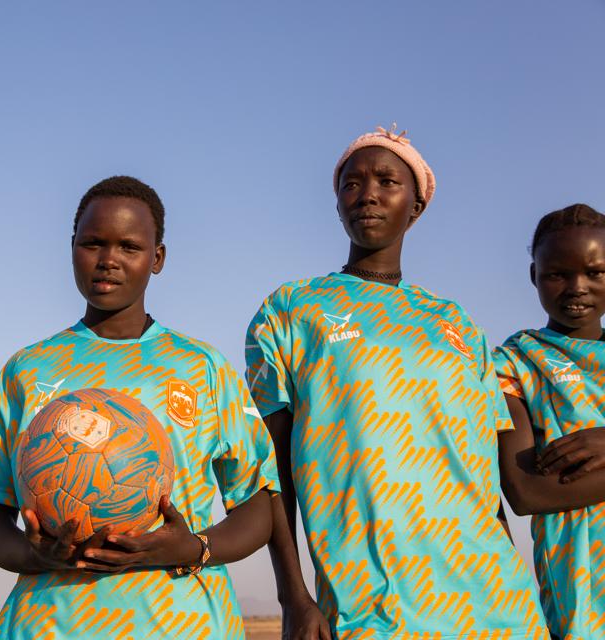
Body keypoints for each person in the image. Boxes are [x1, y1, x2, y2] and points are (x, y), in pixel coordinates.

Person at [245, 127, 549, 638]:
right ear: (337, 201)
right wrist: (293, 597)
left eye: (387, 181)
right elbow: (271, 473)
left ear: (417, 206)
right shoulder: (292, 310)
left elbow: (481, 473)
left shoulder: (457, 323)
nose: (367, 194)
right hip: (373, 605)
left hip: (498, 602)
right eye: (352, 183)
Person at [0, 175, 278, 639]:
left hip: (182, 622)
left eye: (129, 248)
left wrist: (191, 548)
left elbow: (257, 502)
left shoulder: (201, 367)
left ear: (157, 259)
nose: (108, 260)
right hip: (53, 622)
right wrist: (35, 556)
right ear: (71, 247)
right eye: (92, 243)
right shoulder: (27, 371)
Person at [493, 203, 605, 640]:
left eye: (595, 272)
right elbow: (525, 491)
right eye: (558, 273)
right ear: (534, 275)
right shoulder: (514, 363)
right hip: (578, 594)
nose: (577, 287)